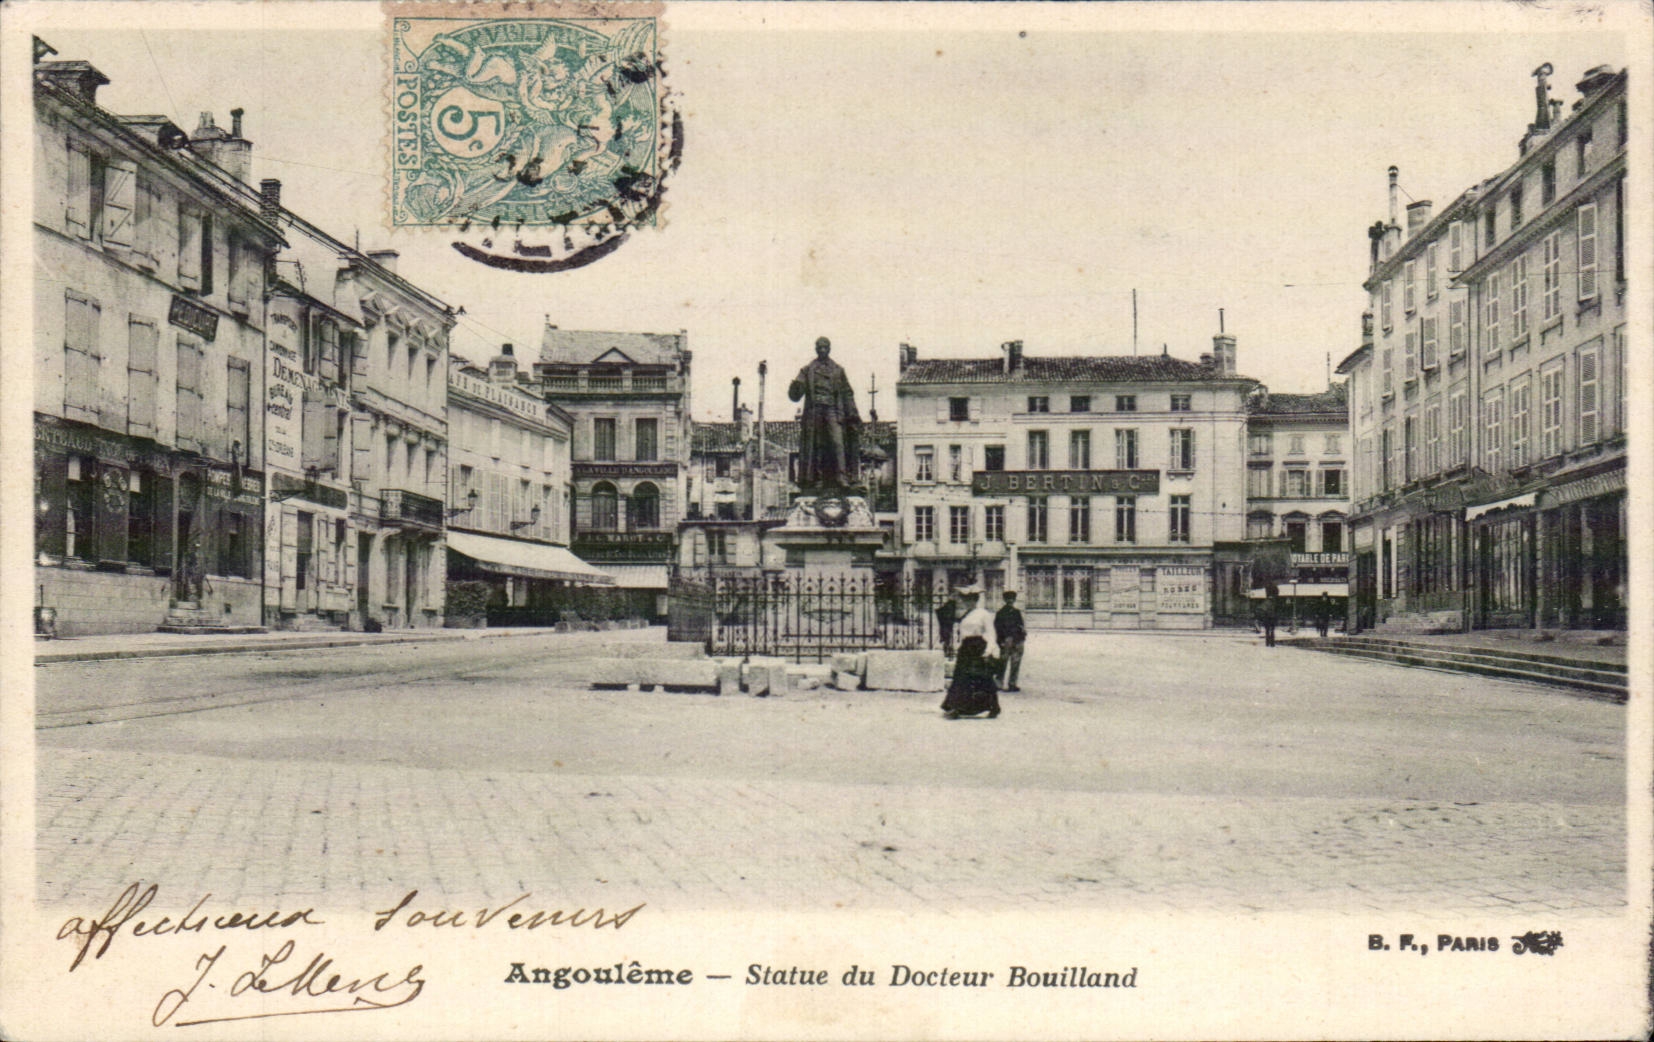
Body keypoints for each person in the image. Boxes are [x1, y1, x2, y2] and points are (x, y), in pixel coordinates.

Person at [787, 337, 863, 491]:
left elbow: (847, 392)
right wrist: (795, 386)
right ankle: (818, 479)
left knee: (837, 442)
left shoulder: (838, 370)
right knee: (818, 444)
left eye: (825, 347)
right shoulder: (808, 370)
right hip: (814, 411)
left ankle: (842, 477)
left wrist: (852, 413)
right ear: (816, 349)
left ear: (829, 349)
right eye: (819, 347)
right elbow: (795, 395)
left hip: (833, 409)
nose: (822, 350)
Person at [941, 585, 1001, 719]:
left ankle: (993, 707)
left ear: (975, 600)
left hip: (978, 647)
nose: (966, 602)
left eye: (969, 600)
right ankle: (956, 707)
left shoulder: (984, 614)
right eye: (965, 600)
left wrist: (989, 650)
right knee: (961, 677)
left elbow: (991, 633)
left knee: (982, 678)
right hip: (966, 647)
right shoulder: (965, 615)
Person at [994, 590, 1026, 692]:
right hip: (1006, 639)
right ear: (1004, 600)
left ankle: (1012, 683)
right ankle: (999, 683)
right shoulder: (1000, 613)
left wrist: (1022, 637)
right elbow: (997, 628)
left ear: (1014, 600)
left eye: (1012, 599)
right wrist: (1000, 641)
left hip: (1017, 639)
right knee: (1002, 662)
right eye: (1008, 599)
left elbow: (1021, 626)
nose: (1010, 601)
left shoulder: (1017, 612)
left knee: (1015, 662)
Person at [1256, 583, 1280, 647]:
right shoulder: (1274, 603)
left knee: (1267, 631)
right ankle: (1272, 643)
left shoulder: (1266, 602)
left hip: (1267, 618)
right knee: (1272, 631)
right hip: (1272, 619)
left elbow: (1262, 610)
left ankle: (1268, 643)